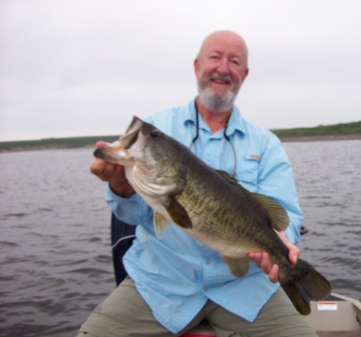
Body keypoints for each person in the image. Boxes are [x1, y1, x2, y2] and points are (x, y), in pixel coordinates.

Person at [80, 30, 317, 337]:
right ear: (196, 66)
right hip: (160, 283)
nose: (223, 68)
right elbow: (131, 214)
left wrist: (280, 245)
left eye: (234, 61)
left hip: (244, 288)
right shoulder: (161, 127)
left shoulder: (266, 144)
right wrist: (121, 186)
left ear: (244, 75)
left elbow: (284, 214)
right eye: (215, 57)